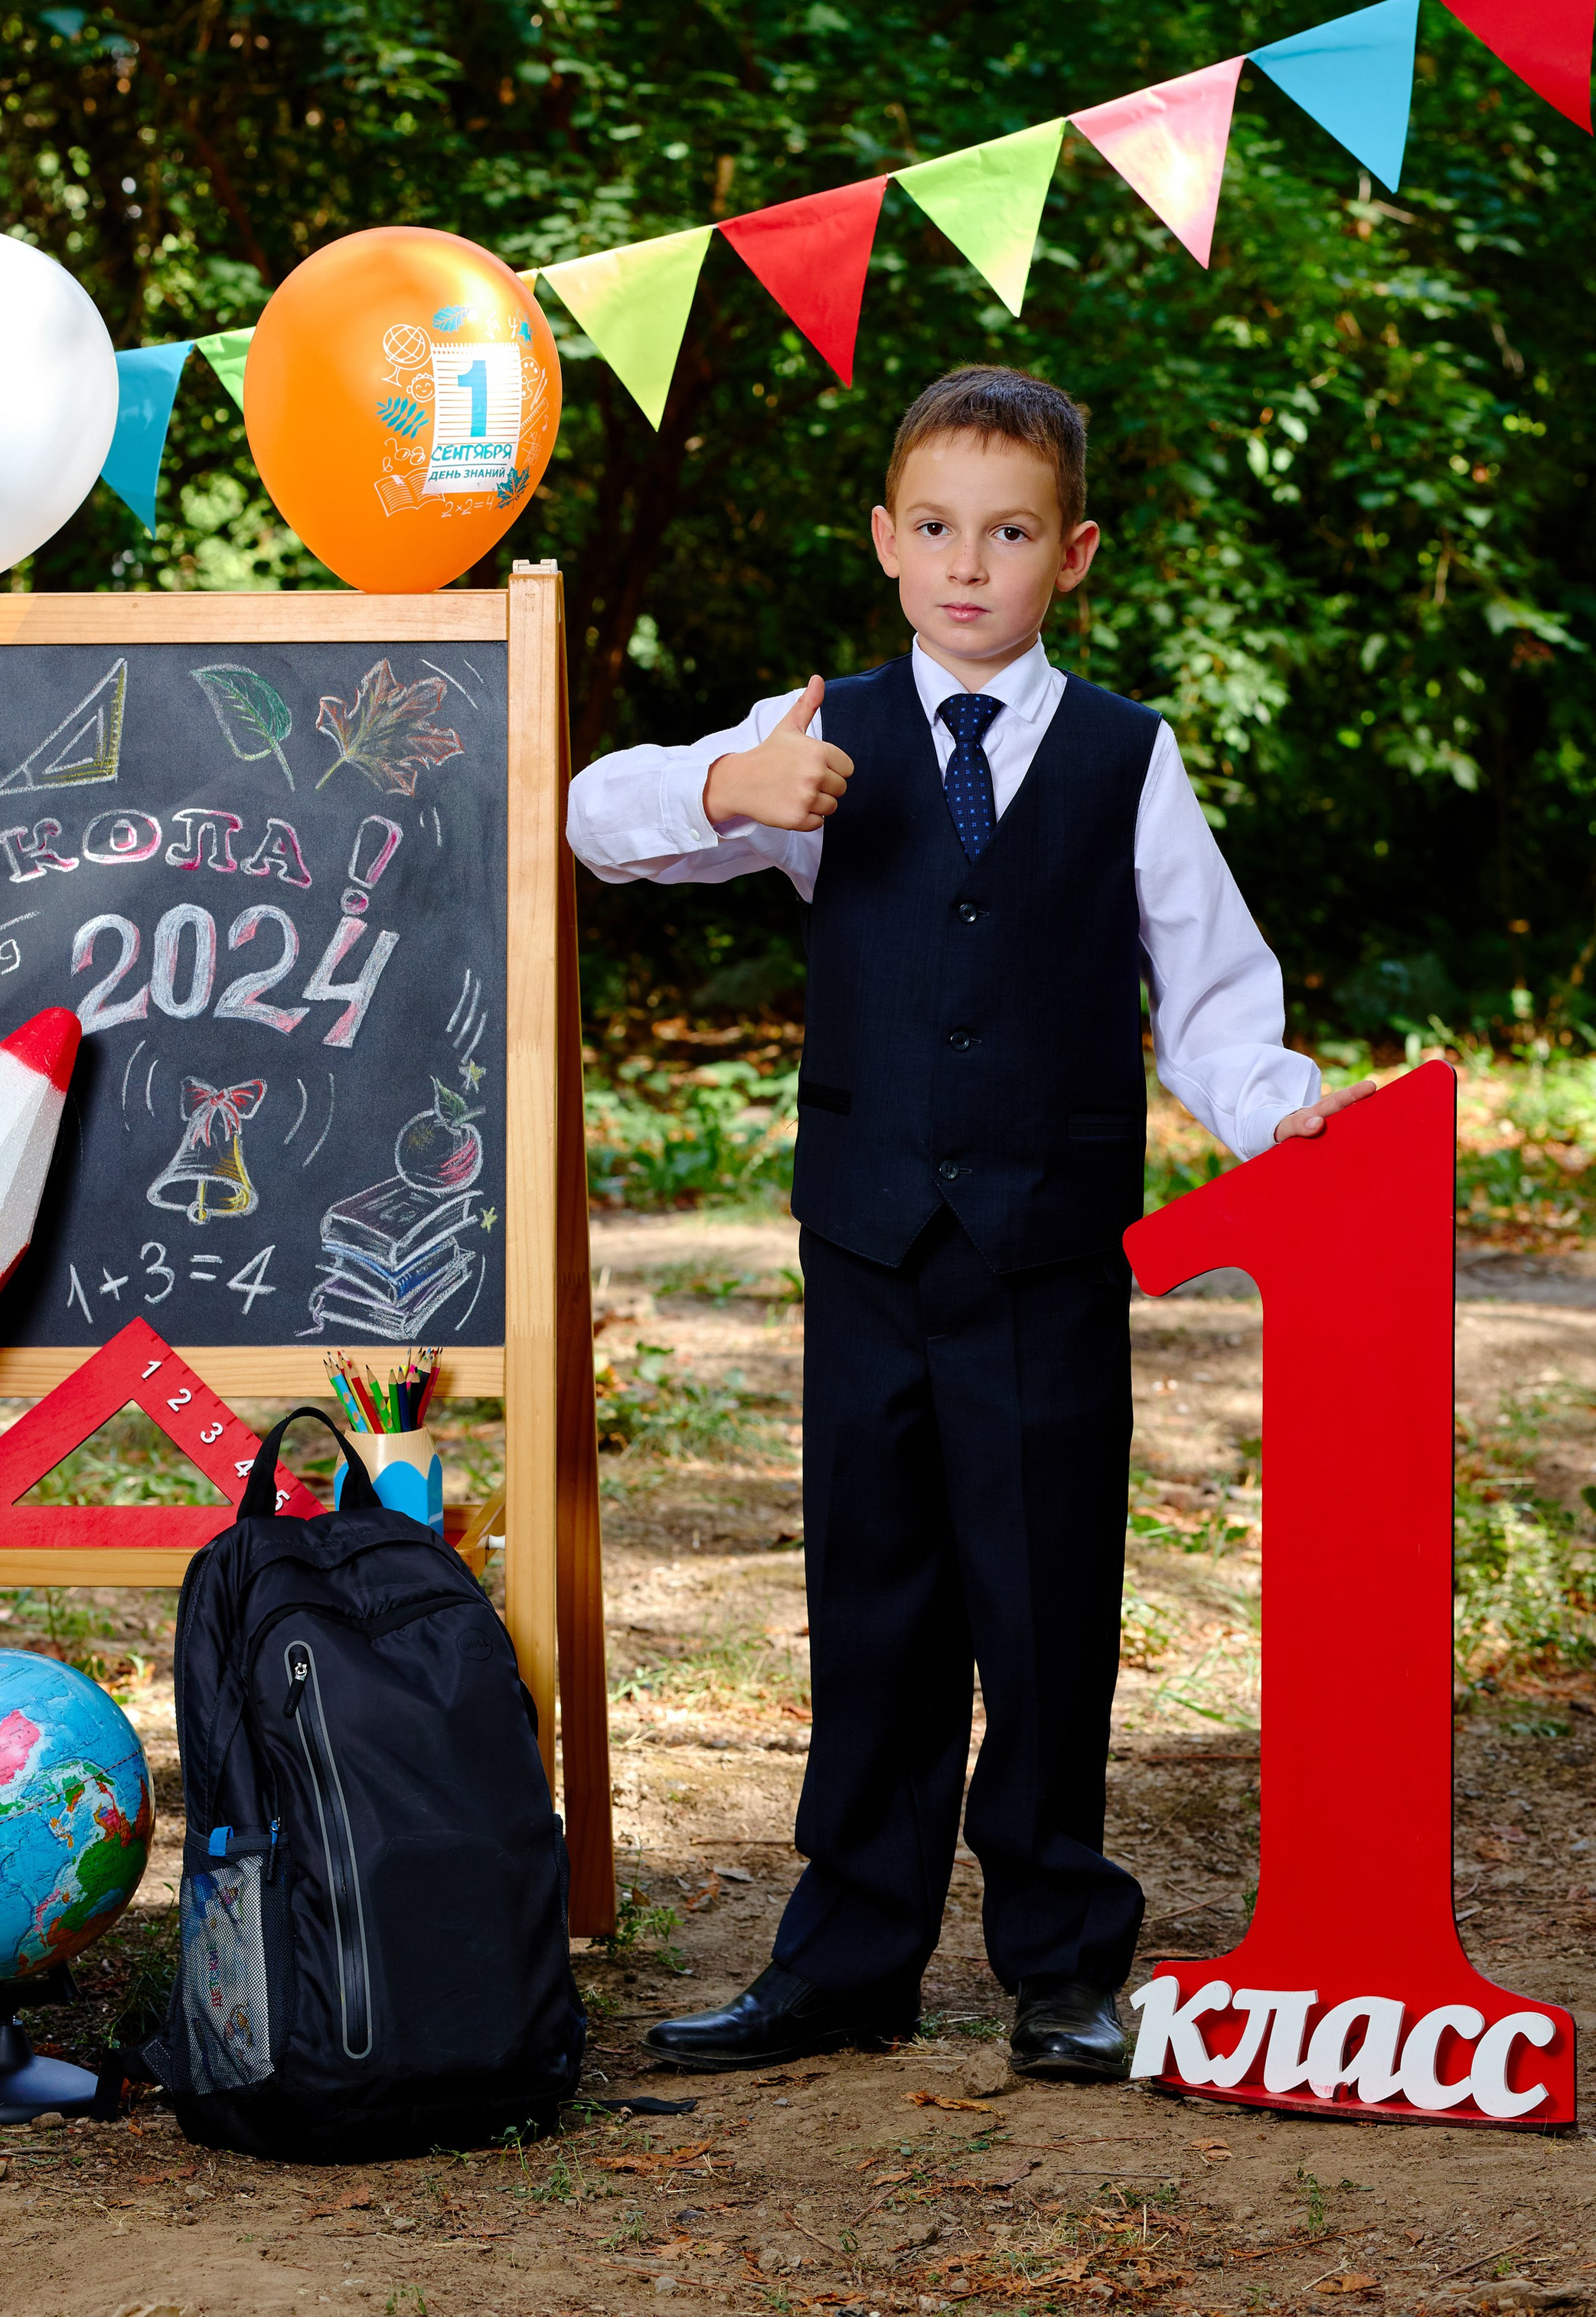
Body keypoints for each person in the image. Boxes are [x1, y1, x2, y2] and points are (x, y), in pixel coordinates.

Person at [566, 362, 1371, 2081]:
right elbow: (591, 820)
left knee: (1043, 1597)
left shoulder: (1123, 759)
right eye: (932, 528)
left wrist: (1276, 1104)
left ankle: (1061, 1958)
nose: (964, 564)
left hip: (1042, 1252)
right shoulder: (813, 734)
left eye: (1005, 534)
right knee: (872, 1597)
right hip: (866, 1248)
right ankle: (845, 1956)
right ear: (881, 538)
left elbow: (1212, 991)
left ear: (1067, 553)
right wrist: (726, 792)